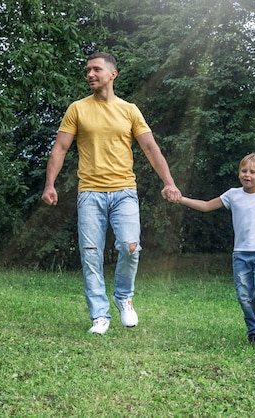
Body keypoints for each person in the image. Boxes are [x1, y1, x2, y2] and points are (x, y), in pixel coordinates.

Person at [41, 52, 181, 335]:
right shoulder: (77, 109)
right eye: (87, 70)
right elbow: (60, 148)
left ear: (112, 74)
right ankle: (99, 316)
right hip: (90, 192)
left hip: (124, 191)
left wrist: (169, 182)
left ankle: (123, 297)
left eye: (96, 69)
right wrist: (50, 184)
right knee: (91, 254)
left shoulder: (129, 110)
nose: (90, 74)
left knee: (131, 247)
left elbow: (151, 148)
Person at [176, 153, 255, 345]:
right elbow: (207, 206)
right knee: (244, 296)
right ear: (239, 173)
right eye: (244, 170)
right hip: (240, 254)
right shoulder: (233, 195)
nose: (247, 175)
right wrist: (181, 199)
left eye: (252, 172)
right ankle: (253, 332)